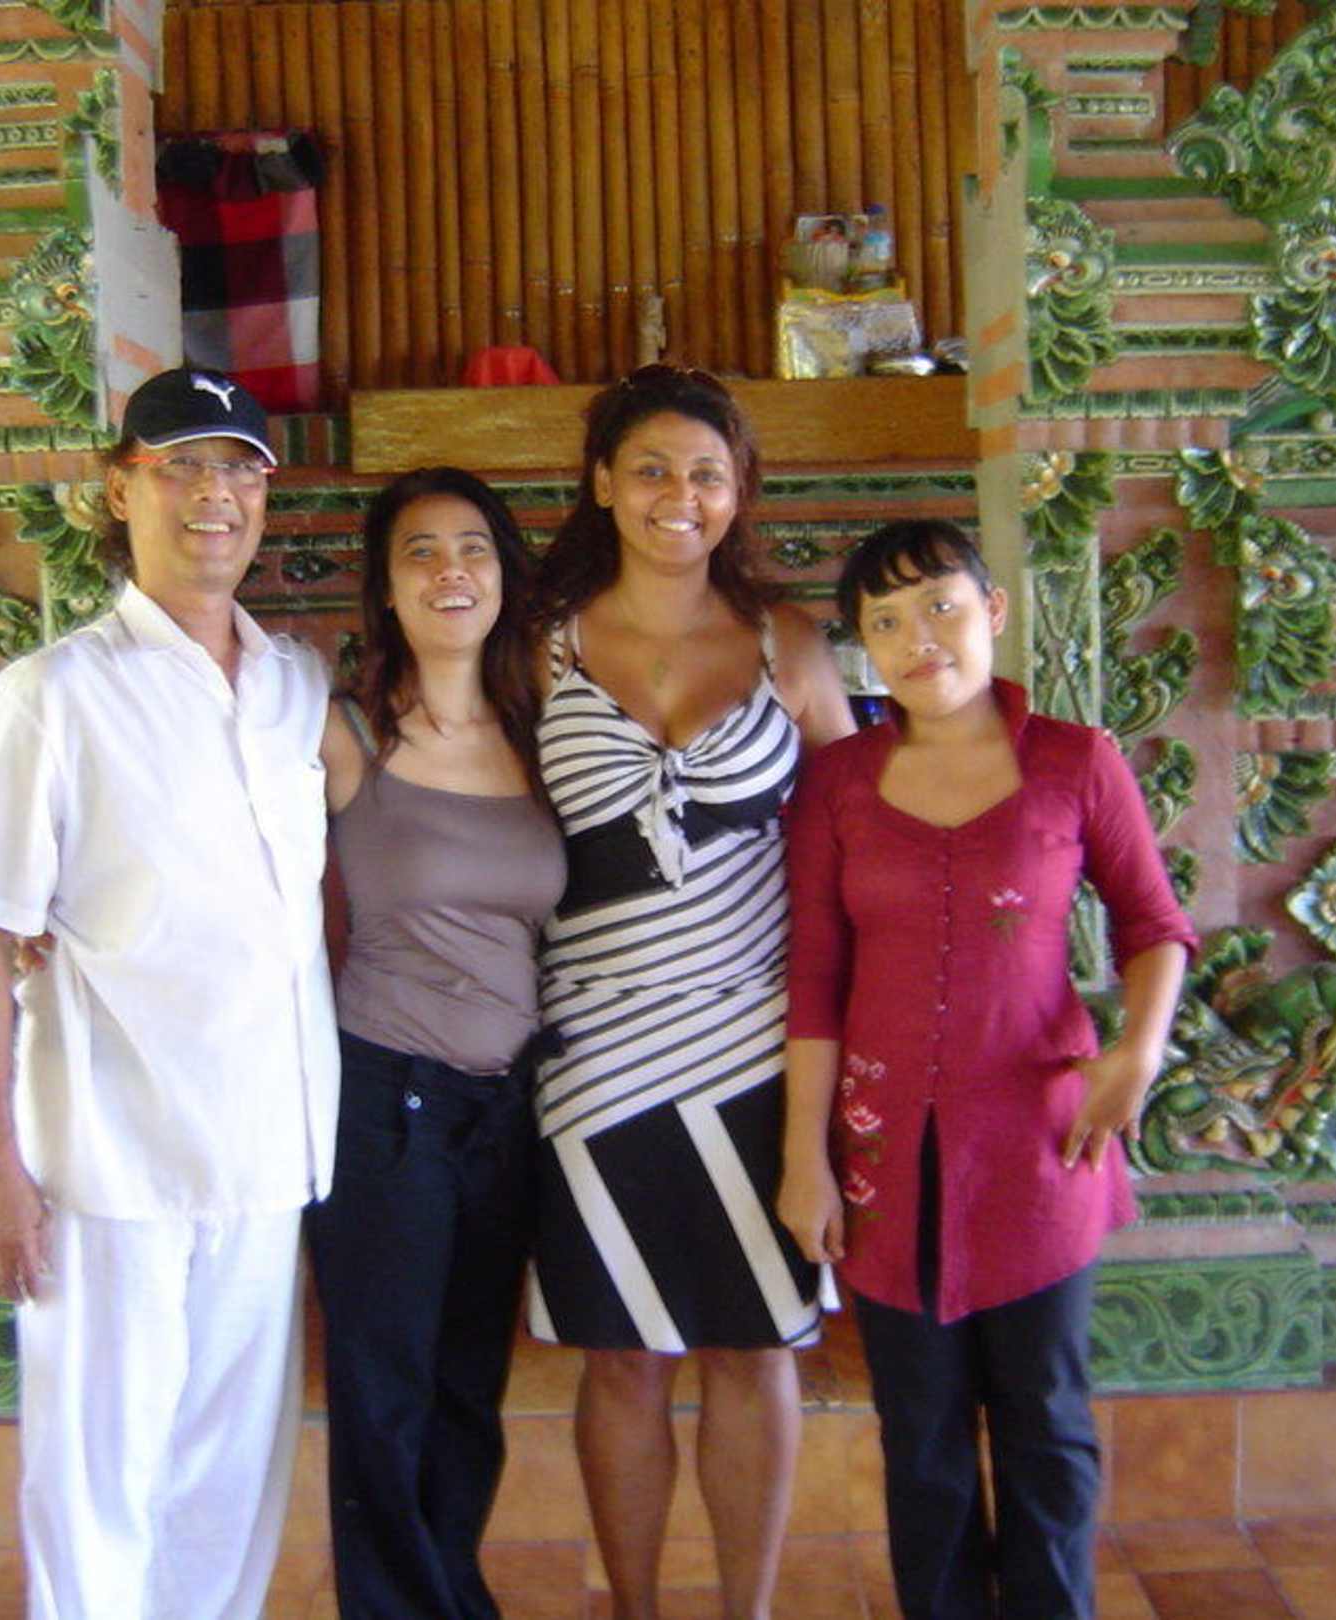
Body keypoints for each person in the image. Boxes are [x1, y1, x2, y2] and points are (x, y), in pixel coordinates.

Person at [0, 366, 336, 1620]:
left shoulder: (296, 686)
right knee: (96, 1484)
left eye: (240, 469)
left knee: (228, 1481)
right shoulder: (52, 695)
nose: (216, 494)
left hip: (265, 1153)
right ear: (122, 490)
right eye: (184, 466)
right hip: (108, 1168)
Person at [778, 520, 1196, 1620]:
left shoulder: (1075, 761)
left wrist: (1138, 1051)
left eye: (941, 605)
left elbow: (1155, 924)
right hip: (883, 1160)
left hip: (1042, 1146)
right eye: (886, 622)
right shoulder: (838, 783)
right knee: (920, 1438)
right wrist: (804, 1160)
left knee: (1045, 1422)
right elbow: (815, 979)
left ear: (993, 610)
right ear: (864, 647)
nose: (919, 639)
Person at [529, 364, 855, 1620]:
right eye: (652, 469)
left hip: (759, 1051)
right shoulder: (538, 645)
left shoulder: (789, 644)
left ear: (739, 490)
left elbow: (855, 844)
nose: (680, 495)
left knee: (753, 1348)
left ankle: (745, 1611)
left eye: (707, 473)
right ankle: (635, 1608)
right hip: (593, 1057)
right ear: (603, 484)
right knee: (620, 1358)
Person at [305, 467, 567, 1620]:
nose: (450, 571)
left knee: (468, 1386)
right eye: (420, 550)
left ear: (505, 577)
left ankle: (450, 1592)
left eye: (473, 548)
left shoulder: (541, 734)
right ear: (385, 586)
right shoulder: (347, 733)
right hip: (385, 1101)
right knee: (384, 1392)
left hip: (507, 1110)